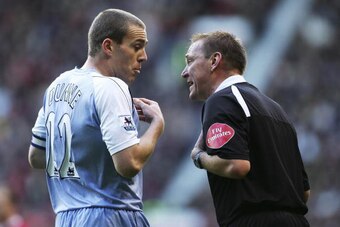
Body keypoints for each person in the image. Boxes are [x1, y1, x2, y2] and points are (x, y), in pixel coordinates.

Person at [28, 9, 164, 227]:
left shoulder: (57, 85)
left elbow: (36, 156)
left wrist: (86, 158)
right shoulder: (110, 86)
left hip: (66, 218)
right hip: (111, 215)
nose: (144, 56)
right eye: (136, 47)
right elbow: (129, 163)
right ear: (108, 46)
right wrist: (157, 125)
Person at [181, 31, 310, 227]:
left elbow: (236, 165)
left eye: (190, 61)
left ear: (214, 60)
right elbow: (304, 191)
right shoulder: (276, 110)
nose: (184, 72)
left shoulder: (222, 99)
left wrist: (198, 157)